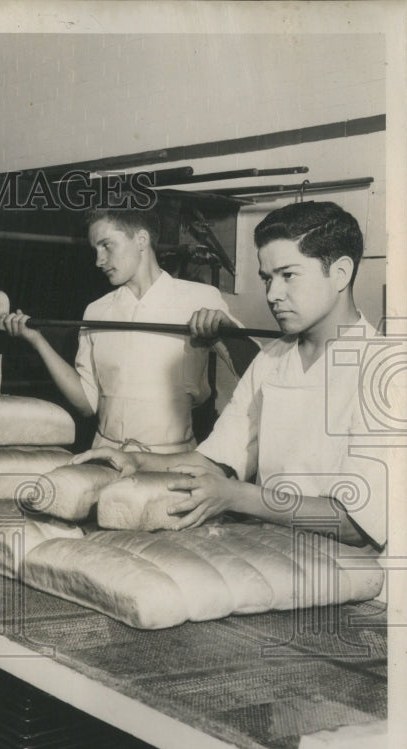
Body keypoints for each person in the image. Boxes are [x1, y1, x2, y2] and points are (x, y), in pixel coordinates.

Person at [74, 200, 389, 550]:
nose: (272, 294)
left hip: (359, 584)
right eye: (267, 279)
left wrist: (238, 497)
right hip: (276, 555)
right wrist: (137, 461)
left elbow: (354, 523)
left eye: (289, 275)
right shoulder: (273, 358)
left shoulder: (384, 371)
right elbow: (215, 459)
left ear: (341, 273)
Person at [0, 206, 258, 452]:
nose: (99, 261)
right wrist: (37, 341)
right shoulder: (97, 311)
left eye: (107, 245)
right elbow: (87, 405)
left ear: (141, 240)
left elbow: (256, 372)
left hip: (170, 460)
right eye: (95, 249)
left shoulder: (199, 298)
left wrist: (224, 330)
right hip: (106, 457)